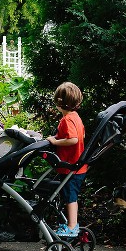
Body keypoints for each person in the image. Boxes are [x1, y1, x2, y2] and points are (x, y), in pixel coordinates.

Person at [47, 82, 88, 237]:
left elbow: (73, 139)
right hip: (78, 167)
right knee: (70, 195)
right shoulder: (76, 117)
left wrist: (55, 142)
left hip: (71, 166)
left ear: (59, 102)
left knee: (70, 197)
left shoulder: (66, 120)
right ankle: (72, 225)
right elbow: (81, 135)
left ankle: (72, 227)